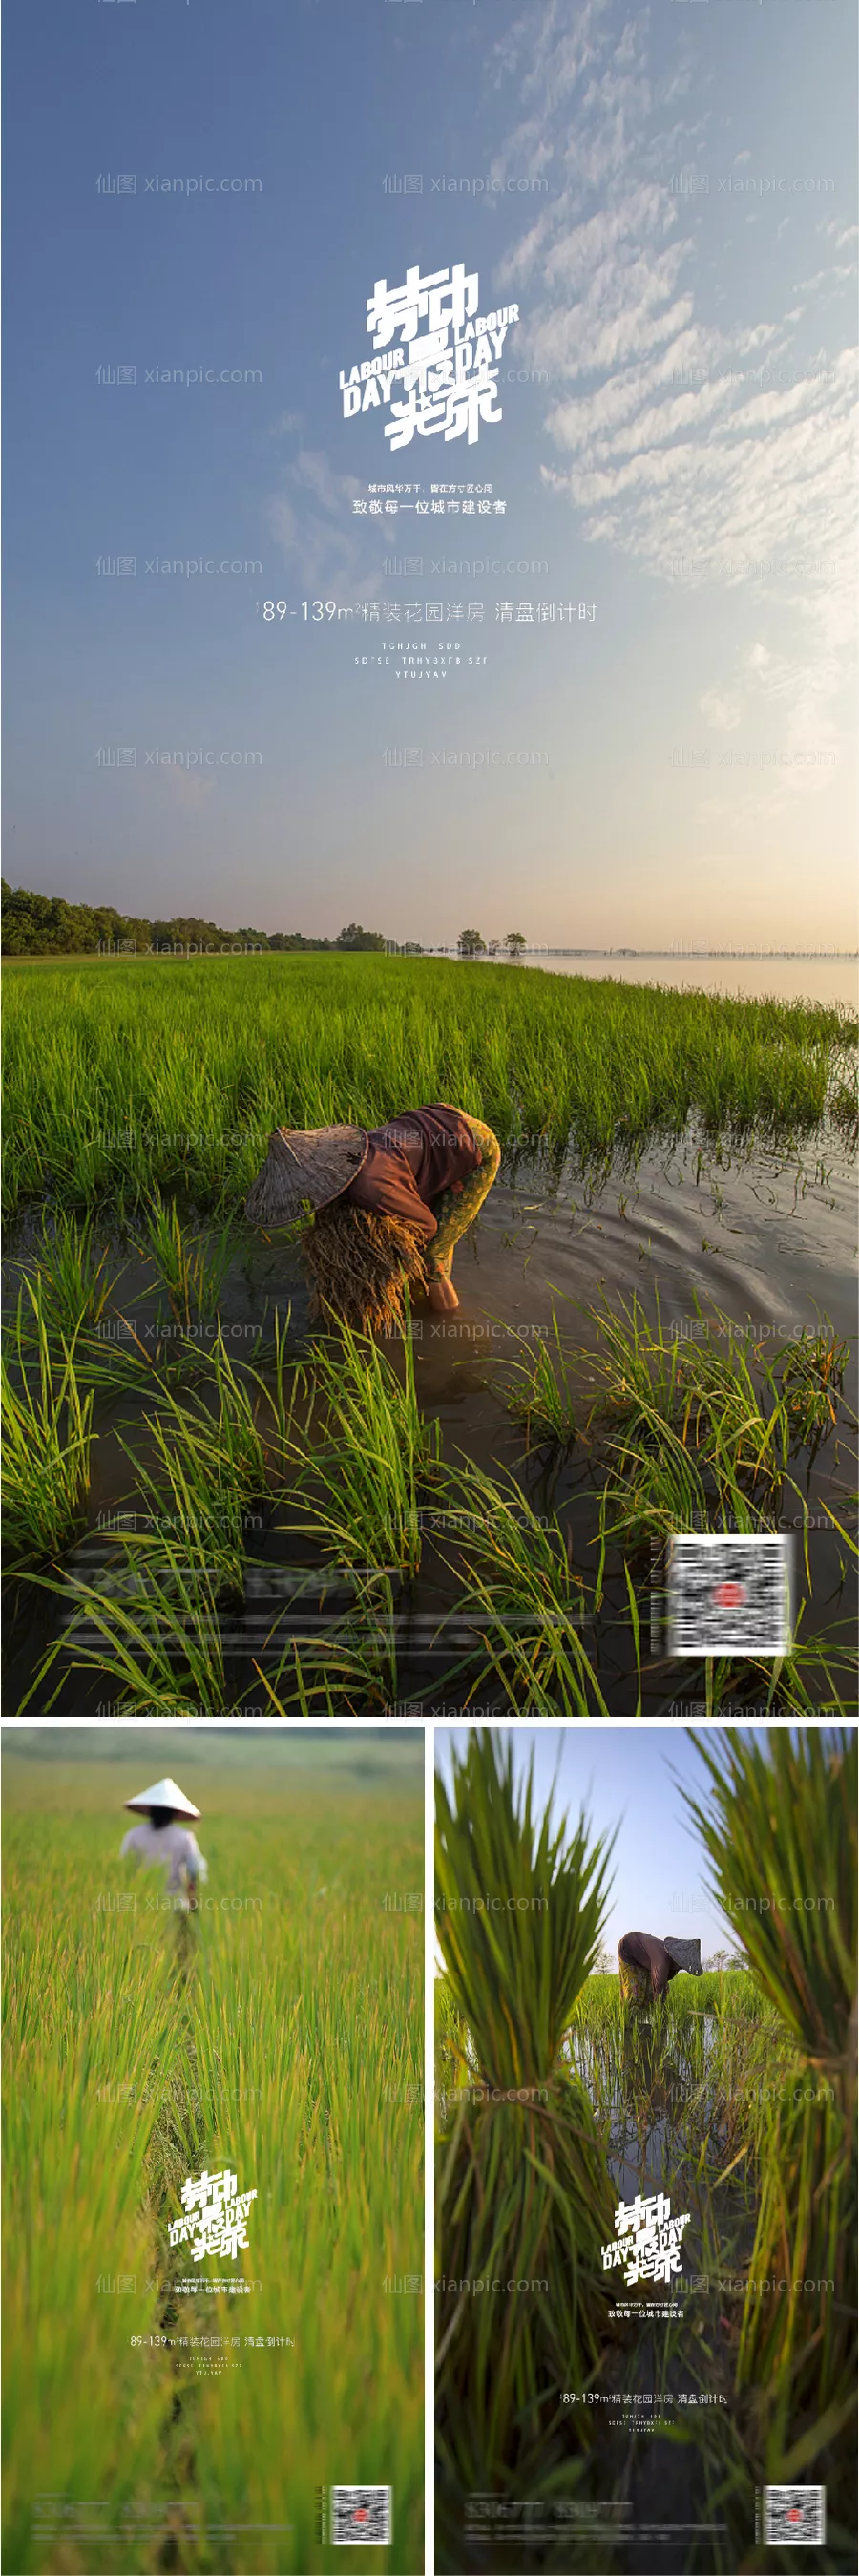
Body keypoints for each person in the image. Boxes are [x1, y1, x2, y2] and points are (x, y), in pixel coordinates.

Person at [245, 1103, 501, 1332]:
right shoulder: (339, 1161)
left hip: (474, 1144)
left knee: (433, 1256)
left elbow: (427, 1226)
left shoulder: (371, 1188)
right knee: (420, 1215)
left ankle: (449, 1328)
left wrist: (388, 1261)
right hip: (437, 1122)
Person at [119, 1776, 207, 1912]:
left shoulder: (134, 1835)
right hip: (173, 1905)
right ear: (174, 1813)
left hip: (142, 1906)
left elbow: (125, 1872)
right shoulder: (184, 1837)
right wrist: (194, 1903)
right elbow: (195, 1872)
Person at [618, 1932, 702, 2007]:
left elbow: (665, 1979)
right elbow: (659, 1987)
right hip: (628, 1949)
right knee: (635, 1993)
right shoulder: (662, 1960)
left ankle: (645, 2013)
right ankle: (629, 2018)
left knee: (651, 1992)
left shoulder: (670, 1960)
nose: (681, 1967)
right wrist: (660, 2009)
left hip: (643, 1956)